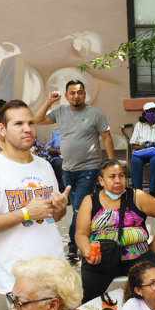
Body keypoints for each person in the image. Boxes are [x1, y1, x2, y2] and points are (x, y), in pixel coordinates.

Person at [0, 100, 71, 299]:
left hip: (56, 269)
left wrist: (60, 208)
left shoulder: (45, 166)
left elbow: (53, 217)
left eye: (31, 123)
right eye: (18, 124)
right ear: (2, 129)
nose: (27, 129)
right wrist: (25, 213)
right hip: (18, 278)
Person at [34, 80, 115, 260]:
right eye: (72, 93)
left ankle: (73, 246)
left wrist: (110, 163)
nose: (76, 96)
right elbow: (37, 119)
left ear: (85, 95)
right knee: (81, 209)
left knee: (78, 208)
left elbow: (106, 137)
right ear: (66, 96)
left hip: (89, 168)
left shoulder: (95, 113)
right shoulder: (60, 112)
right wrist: (48, 102)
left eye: (79, 92)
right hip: (67, 168)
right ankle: (90, 237)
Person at [75, 160, 155, 303]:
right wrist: (88, 251)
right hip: (103, 257)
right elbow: (81, 234)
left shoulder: (136, 196)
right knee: (89, 298)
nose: (118, 180)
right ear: (101, 181)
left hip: (138, 255)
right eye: (112, 176)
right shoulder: (90, 201)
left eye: (121, 175)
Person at [129, 102, 155, 198]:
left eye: (154, 111)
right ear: (144, 113)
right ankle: (138, 191)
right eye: (149, 111)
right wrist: (141, 147)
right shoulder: (139, 125)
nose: (151, 113)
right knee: (135, 161)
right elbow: (134, 145)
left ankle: (152, 191)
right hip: (142, 154)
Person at [45, 128, 66, 193]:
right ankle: (63, 192)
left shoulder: (75, 130)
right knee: (60, 163)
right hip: (58, 158)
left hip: (72, 157)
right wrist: (57, 151)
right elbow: (48, 148)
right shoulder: (56, 132)